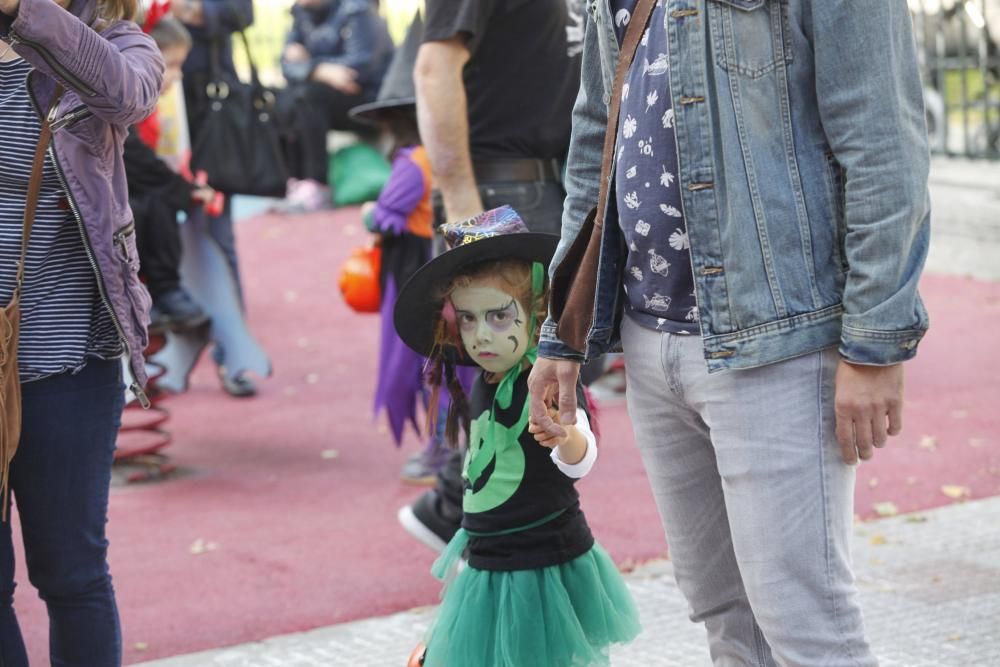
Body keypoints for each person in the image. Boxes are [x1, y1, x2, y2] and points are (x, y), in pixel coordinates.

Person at [528, 1, 931, 664]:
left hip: (776, 339)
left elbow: (884, 142)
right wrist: (563, 331)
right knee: (725, 615)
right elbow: (595, 140)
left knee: (807, 625)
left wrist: (876, 340)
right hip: (650, 339)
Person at [394, 206, 640, 667]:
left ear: (537, 313)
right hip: (486, 564)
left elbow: (580, 460)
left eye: (499, 317)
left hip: (541, 567)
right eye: (467, 319)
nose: (481, 334)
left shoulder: (545, 382)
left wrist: (564, 434)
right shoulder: (484, 382)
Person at [0, 0, 162, 664]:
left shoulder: (119, 47)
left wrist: (23, 13)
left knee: (70, 574)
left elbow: (127, 99)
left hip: (67, 366)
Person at [399, 0, 587, 549]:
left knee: (563, 361)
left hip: (555, 183)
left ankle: (468, 510)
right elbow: (434, 68)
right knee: (530, 362)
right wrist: (467, 214)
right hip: (503, 189)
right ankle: (459, 509)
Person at [349, 15, 442, 483]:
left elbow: (386, 214)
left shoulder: (412, 161)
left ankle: (441, 452)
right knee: (443, 364)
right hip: (435, 259)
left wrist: (369, 211)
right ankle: (448, 449)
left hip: (413, 267)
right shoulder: (441, 151)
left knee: (423, 364)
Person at [173, 0, 259, 397]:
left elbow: (243, 13)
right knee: (149, 242)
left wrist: (193, 11)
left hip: (209, 112)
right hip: (147, 111)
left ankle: (232, 355)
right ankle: (157, 364)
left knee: (217, 239)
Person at [126, 15, 212, 332]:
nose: (177, 75)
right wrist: (183, 189)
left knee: (157, 200)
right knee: (148, 204)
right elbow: (134, 159)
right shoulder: (125, 105)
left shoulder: (151, 109)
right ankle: (159, 288)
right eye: (170, 65)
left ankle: (163, 290)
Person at [280, 0, 393, 212]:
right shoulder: (301, 13)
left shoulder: (357, 8)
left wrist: (308, 64)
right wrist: (319, 69)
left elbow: (358, 69)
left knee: (309, 95)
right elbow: (286, 65)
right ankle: (296, 180)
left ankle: (318, 184)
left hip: (369, 102)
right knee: (287, 98)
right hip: (331, 95)